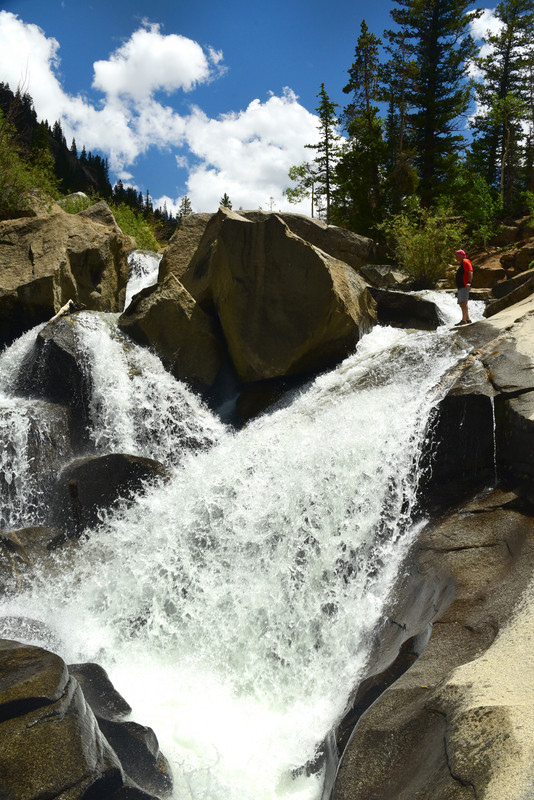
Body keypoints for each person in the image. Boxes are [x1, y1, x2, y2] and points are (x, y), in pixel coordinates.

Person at [454, 249, 473, 325]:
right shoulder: (462, 263)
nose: (456, 257)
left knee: (463, 302)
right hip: (462, 286)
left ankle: (463, 320)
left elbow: (470, 272)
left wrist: (469, 282)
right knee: (463, 303)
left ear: (461, 255)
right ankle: (468, 319)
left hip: (464, 285)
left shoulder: (465, 261)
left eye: (457, 255)